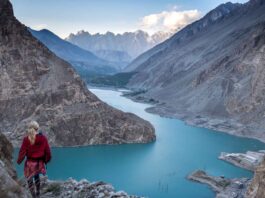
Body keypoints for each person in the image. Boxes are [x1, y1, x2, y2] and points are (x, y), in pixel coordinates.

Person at [17, 121, 51, 198]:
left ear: (29, 128)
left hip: (29, 163)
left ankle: (33, 196)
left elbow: (22, 151)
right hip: (39, 163)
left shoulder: (26, 139)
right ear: (37, 128)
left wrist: (19, 161)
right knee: (37, 176)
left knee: (29, 179)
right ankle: (38, 194)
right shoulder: (43, 138)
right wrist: (46, 160)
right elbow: (47, 151)